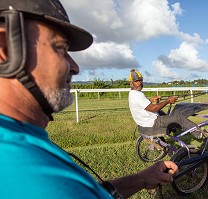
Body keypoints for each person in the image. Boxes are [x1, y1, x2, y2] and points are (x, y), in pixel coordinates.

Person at [0, 0, 178, 199]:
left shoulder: (21, 143)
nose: (75, 67)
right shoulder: (31, 175)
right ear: (5, 49)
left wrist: (142, 179)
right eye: (60, 48)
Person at [128, 68, 203, 137]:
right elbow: (154, 108)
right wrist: (168, 100)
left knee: (162, 112)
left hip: (145, 121)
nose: (139, 83)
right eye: (136, 81)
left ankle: (173, 128)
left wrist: (150, 100)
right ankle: (200, 134)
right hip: (152, 122)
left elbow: (142, 105)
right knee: (179, 118)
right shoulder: (137, 94)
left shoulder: (132, 93)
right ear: (131, 83)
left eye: (140, 80)